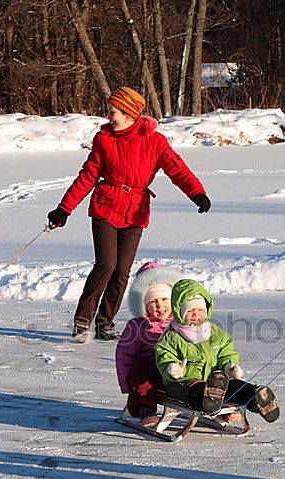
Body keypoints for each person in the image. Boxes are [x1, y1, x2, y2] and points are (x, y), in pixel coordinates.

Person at [46, 86, 210, 344]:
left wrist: (196, 193)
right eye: (109, 111)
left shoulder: (154, 141)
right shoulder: (104, 140)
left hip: (135, 211)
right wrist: (64, 209)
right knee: (106, 264)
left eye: (113, 112)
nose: (109, 117)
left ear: (129, 113)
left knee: (122, 271)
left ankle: (105, 323)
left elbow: (177, 169)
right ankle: (82, 320)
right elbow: (87, 176)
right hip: (105, 206)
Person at [155, 279, 279, 423]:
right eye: (190, 310)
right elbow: (164, 354)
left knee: (234, 386)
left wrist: (229, 366)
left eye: (200, 310)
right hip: (183, 382)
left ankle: (256, 397)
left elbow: (225, 351)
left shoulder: (215, 333)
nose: (196, 314)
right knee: (197, 391)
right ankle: (208, 401)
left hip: (216, 382)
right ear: (179, 311)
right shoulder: (172, 335)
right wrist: (172, 367)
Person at [115, 262, 184, 428]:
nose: (160, 305)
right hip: (151, 377)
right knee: (145, 362)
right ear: (144, 305)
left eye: (164, 299)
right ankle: (145, 409)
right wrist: (126, 383)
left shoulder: (182, 323)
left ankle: (216, 402)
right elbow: (124, 356)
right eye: (153, 301)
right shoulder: (137, 326)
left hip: (180, 373)